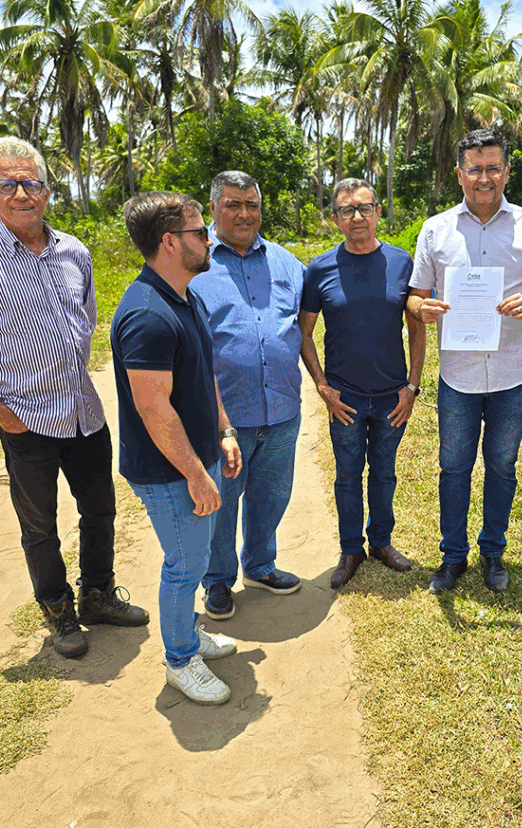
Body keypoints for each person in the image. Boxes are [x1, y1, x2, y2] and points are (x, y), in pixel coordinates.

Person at [0, 137, 147, 660]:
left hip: (84, 412)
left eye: (31, 183)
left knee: (100, 510)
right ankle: (58, 612)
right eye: (7, 184)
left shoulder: (74, 250)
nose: (21, 194)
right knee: (39, 527)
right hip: (25, 420)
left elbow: (86, 318)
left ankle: (98, 595)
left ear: (47, 191)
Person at [408, 128, 522, 595]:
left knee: (502, 466)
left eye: (493, 167)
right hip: (459, 376)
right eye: (475, 168)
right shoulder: (435, 229)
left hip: (514, 372)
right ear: (459, 174)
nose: (484, 177)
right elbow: (414, 296)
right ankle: (453, 556)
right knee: (454, 468)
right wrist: (422, 308)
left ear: (506, 172)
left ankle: (493, 552)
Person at [112, 191, 241, 705]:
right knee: (185, 564)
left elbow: (204, 374)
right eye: (199, 232)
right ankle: (181, 659)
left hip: (193, 456)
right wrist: (194, 472)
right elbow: (154, 409)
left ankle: (188, 633)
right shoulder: (148, 314)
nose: (209, 240)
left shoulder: (185, 296)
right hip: (168, 469)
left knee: (197, 554)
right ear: (169, 242)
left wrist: (224, 431)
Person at [188, 171, 305, 621]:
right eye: (233, 204)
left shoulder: (286, 263)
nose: (244, 214)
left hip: (281, 409)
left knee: (272, 495)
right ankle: (217, 580)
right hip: (224, 415)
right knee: (220, 502)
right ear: (213, 208)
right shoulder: (194, 263)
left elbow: (307, 323)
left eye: (251, 205)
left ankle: (260, 565)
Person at [299, 179, 425, 589]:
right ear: (335, 218)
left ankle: (381, 542)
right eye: (347, 210)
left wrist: (412, 386)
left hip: (392, 396)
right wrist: (322, 386)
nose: (357, 217)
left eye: (365, 208)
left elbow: (417, 327)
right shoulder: (319, 269)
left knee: (384, 474)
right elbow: (304, 333)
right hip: (346, 398)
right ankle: (351, 548)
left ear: (378, 212)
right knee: (347, 475)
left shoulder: (402, 263)